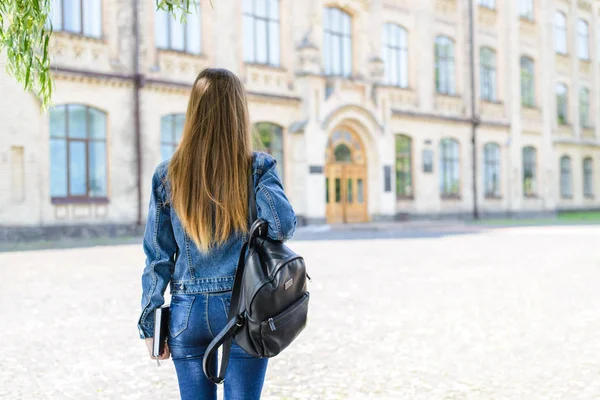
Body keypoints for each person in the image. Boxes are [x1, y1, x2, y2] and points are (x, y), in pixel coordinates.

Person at [137, 68, 297, 400]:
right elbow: (282, 227)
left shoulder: (168, 174)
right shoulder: (257, 168)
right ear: (239, 112)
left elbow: (158, 258)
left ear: (194, 112)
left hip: (187, 313)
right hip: (245, 308)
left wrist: (151, 324)